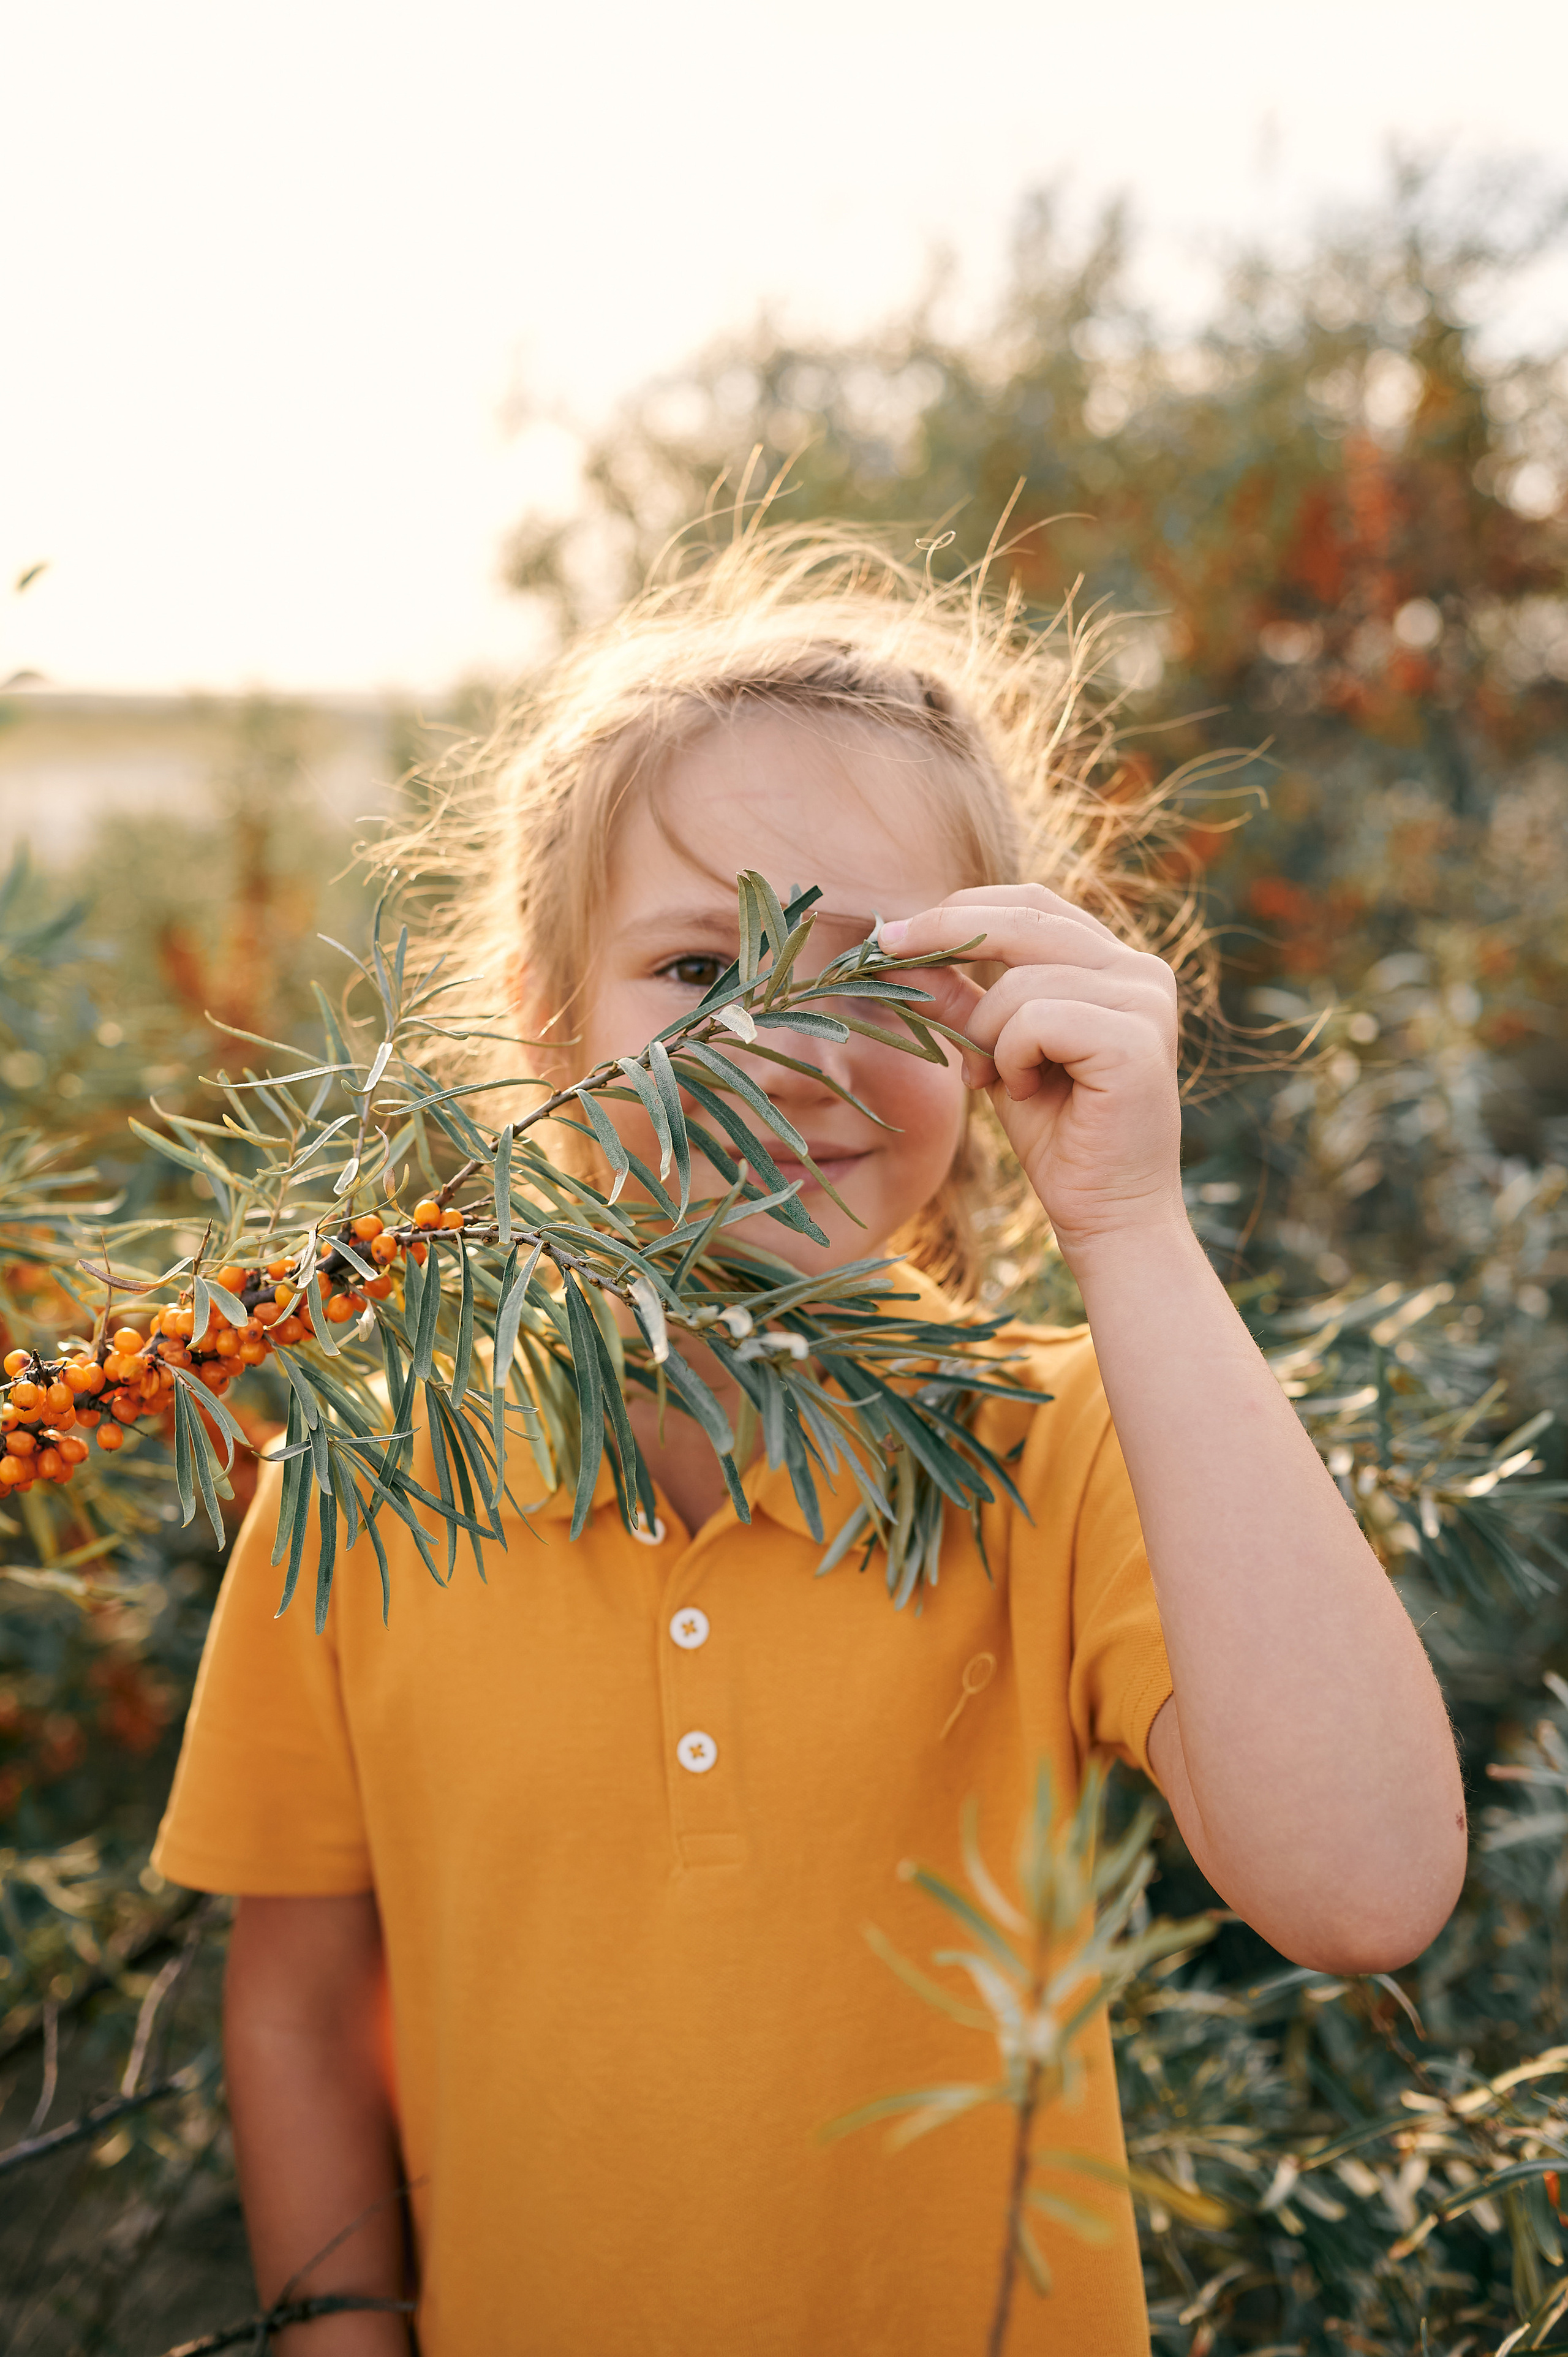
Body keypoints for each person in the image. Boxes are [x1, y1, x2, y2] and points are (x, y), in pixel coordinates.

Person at [153, 524, 1466, 2356]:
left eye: (885, 973)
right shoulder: (363, 1494)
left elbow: (1366, 1887)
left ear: (1001, 1019)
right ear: (545, 1020)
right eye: (703, 970)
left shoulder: (1059, 1446)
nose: (792, 1045)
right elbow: (300, 2006)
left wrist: (1132, 1231)